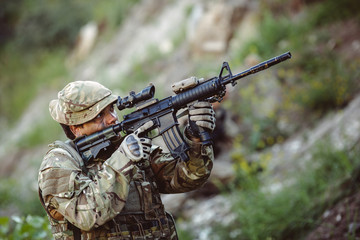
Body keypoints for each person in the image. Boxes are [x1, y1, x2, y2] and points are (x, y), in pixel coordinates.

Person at [38, 80, 216, 239]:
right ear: (76, 127)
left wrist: (196, 138)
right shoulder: (58, 164)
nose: (112, 119)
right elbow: (88, 215)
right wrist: (123, 160)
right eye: (100, 115)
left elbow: (188, 178)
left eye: (112, 109)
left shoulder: (123, 146)